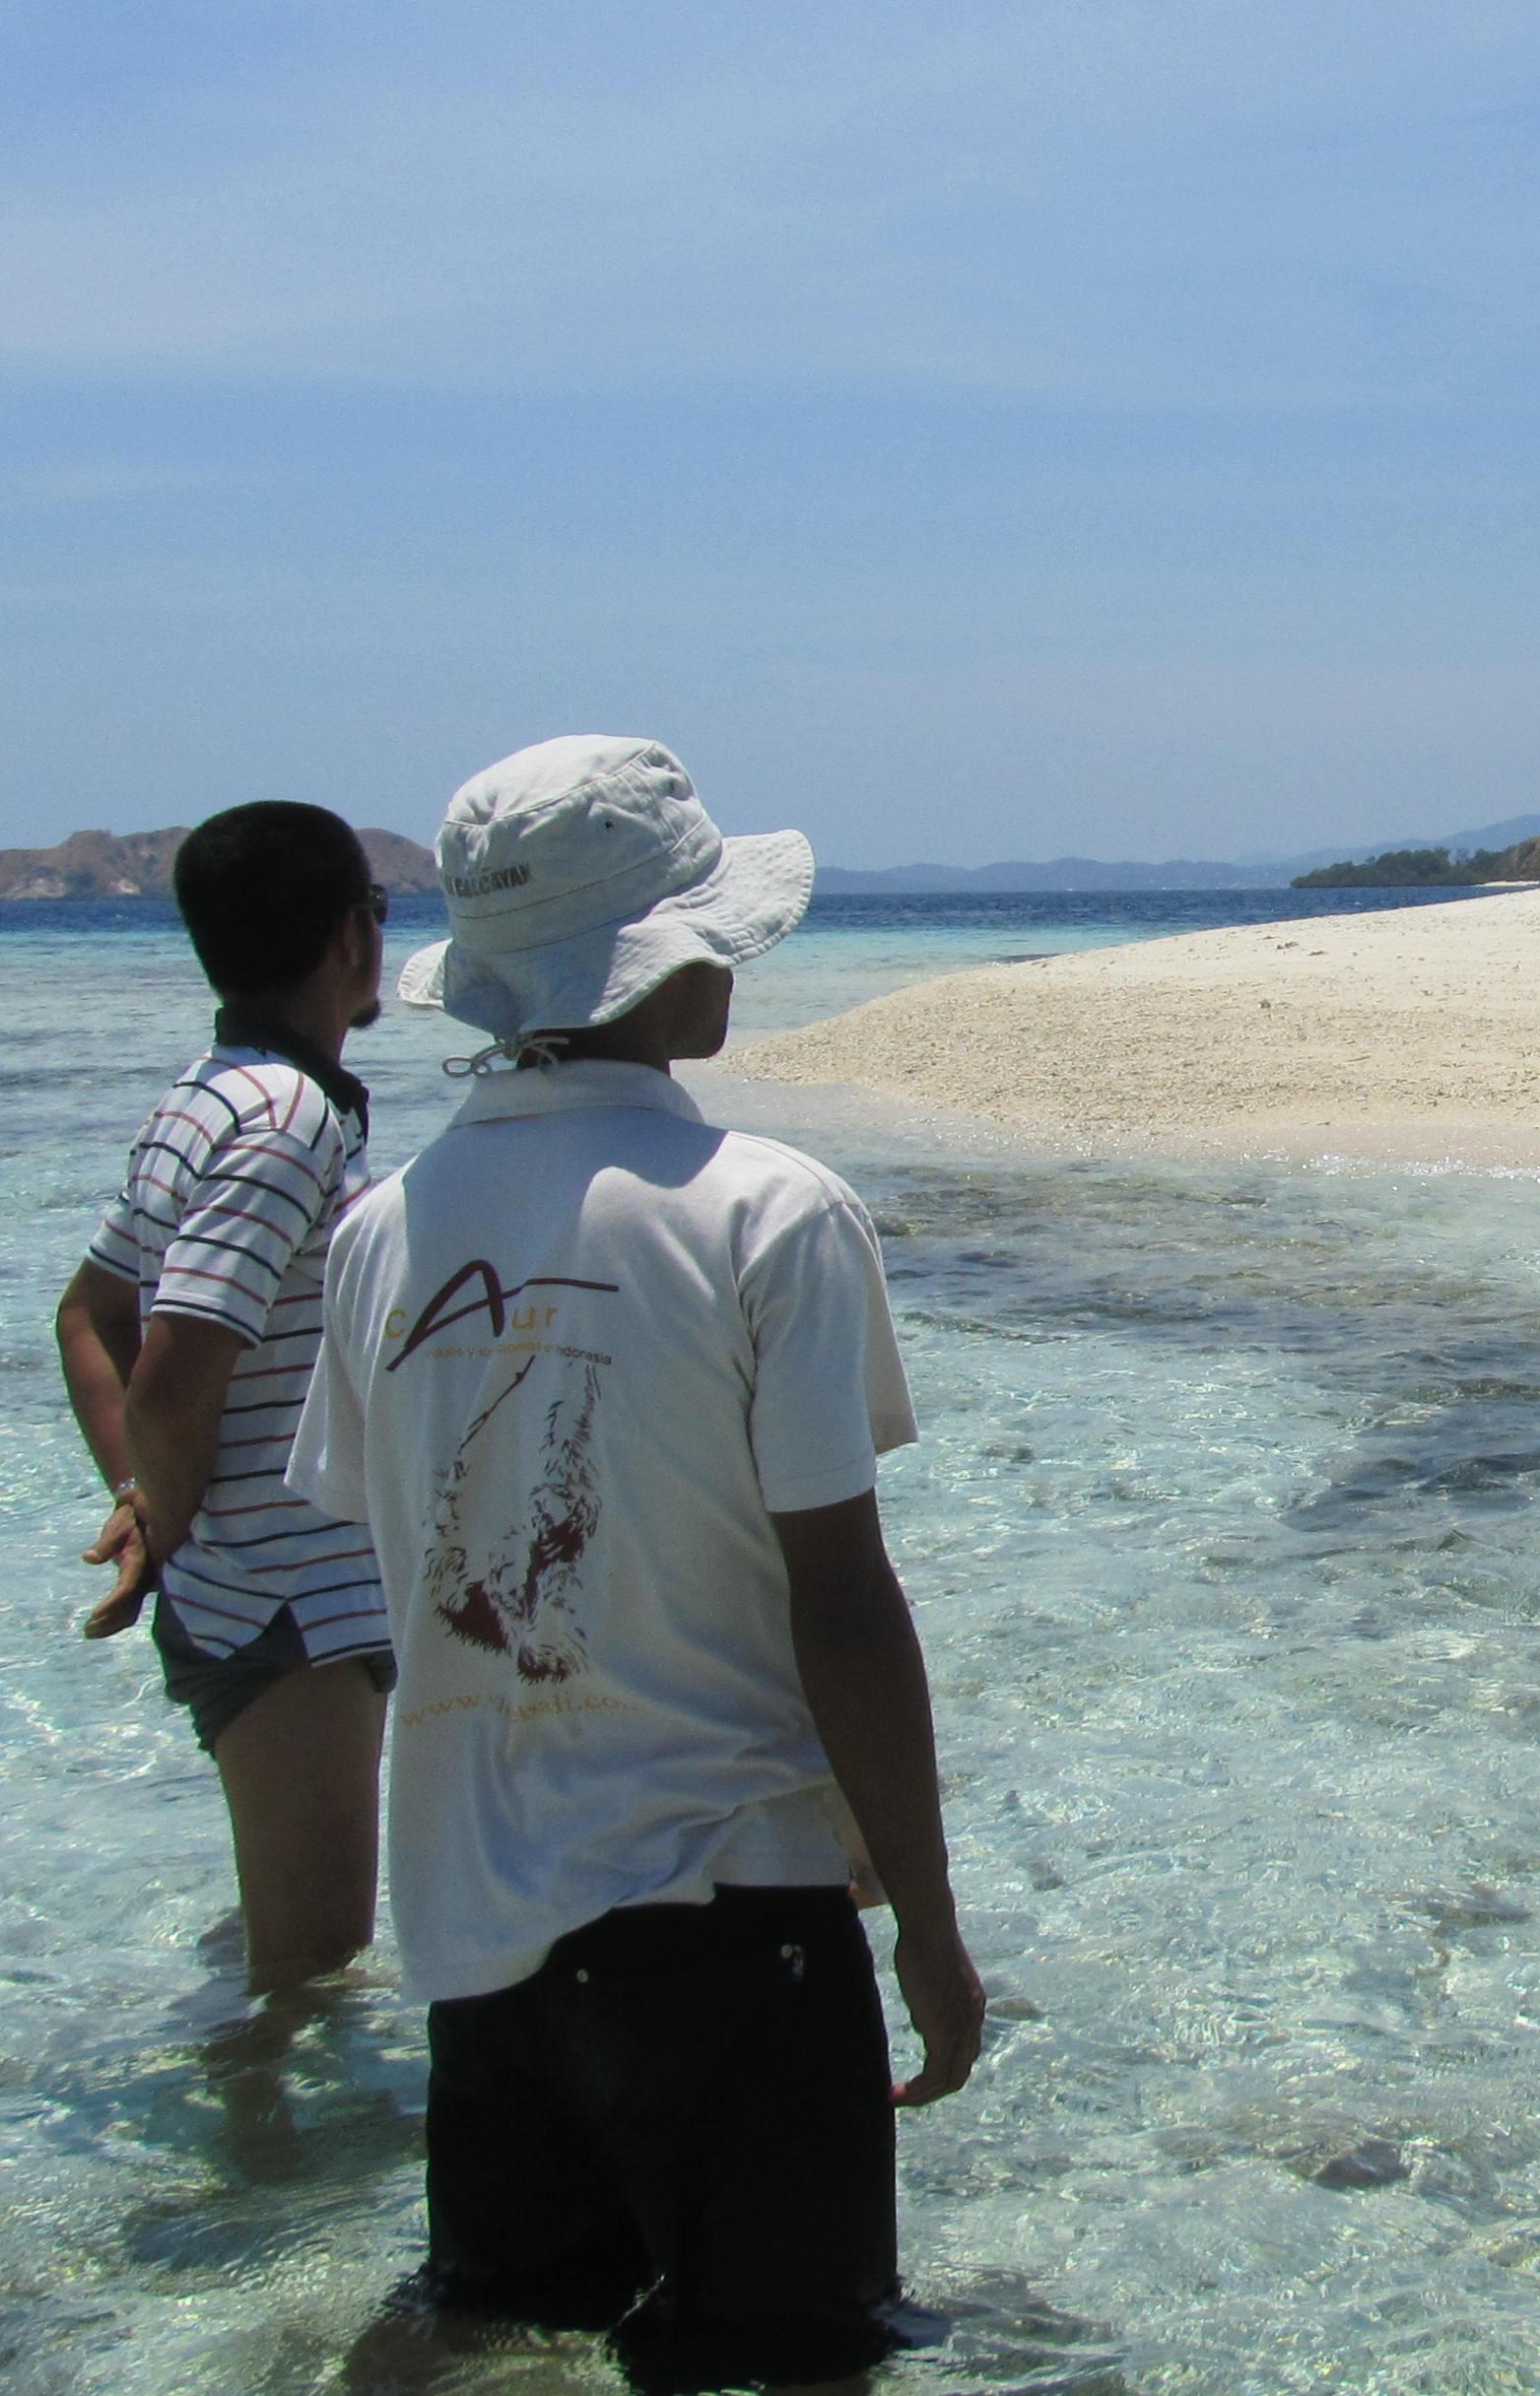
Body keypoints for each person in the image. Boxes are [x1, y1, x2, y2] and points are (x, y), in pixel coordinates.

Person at [293, 734, 982, 2394]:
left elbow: (394, 1572)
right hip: (734, 1926)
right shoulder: (769, 1211)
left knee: (511, 2341)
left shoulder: (384, 1228)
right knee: (788, 2360)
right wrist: (931, 1928)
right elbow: (843, 1598)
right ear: (667, 959)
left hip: (480, 1945)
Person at [53, 800, 393, 1991]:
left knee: (294, 1946)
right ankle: (252, 2164)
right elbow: (174, 1365)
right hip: (280, 1594)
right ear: (353, 936)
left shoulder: (210, 1092)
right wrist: (170, 1514)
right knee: (313, 1956)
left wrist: (149, 1503)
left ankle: (268, 2147)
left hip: (252, 1585)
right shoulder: (286, 1119)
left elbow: (88, 1315)